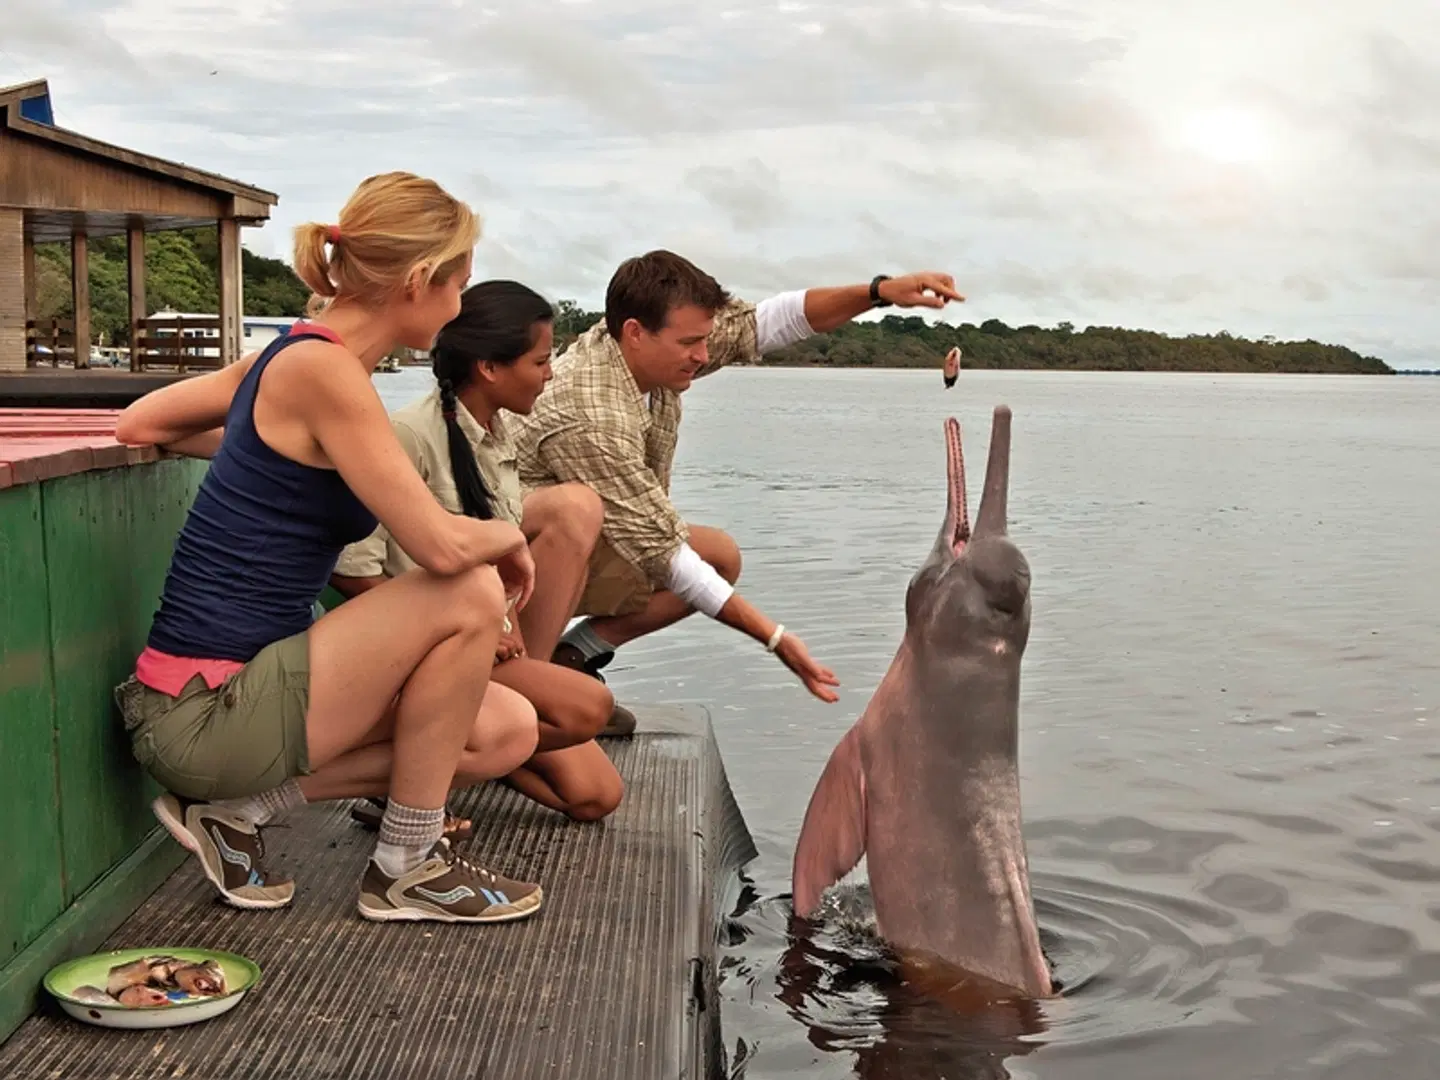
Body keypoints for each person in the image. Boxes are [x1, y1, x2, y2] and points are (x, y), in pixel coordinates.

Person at [112, 171, 546, 925]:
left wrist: (260, 452)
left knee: (505, 729)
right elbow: (442, 548)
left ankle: (240, 810)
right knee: (470, 589)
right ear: (418, 281)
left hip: (242, 699)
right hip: (201, 712)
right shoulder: (320, 370)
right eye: (458, 286)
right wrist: (510, 535)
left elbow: (141, 423)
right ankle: (409, 867)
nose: (460, 306)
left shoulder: (298, 358)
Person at [509, 252, 964, 705]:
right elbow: (662, 551)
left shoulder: (648, 350)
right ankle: (525, 685)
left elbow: (771, 322)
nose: (704, 356)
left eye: (704, 339)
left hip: (576, 554)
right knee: (579, 514)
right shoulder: (590, 412)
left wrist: (879, 292)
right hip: (508, 574)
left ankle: (574, 655)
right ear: (635, 333)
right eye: (691, 343)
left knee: (717, 557)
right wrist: (775, 638)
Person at [330, 279, 625, 829]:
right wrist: (462, 627)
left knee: (595, 796)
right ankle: (413, 779)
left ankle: (442, 765)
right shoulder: (409, 435)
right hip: (424, 659)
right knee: (588, 707)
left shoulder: (497, 435)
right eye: (540, 361)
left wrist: (503, 629)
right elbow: (353, 572)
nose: (550, 374)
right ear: (489, 367)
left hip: (484, 650)